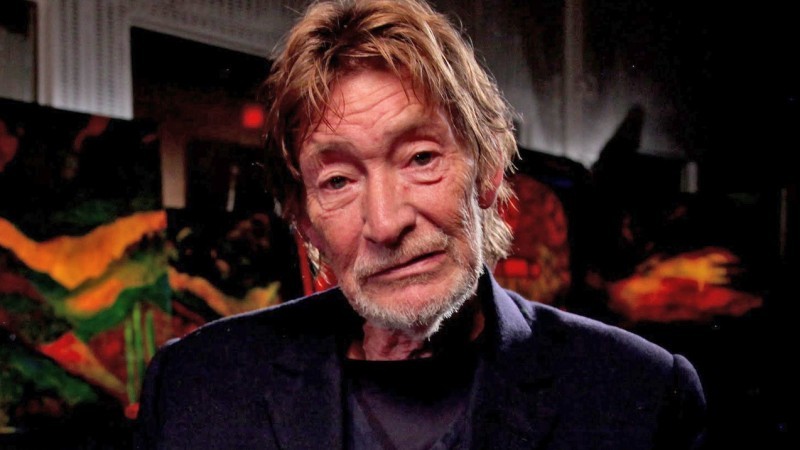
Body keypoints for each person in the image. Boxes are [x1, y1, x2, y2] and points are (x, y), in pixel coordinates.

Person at [134, 0, 706, 448]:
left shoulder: (639, 394)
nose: (386, 223)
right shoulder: (196, 386)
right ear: (304, 221)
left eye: (421, 158)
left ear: (489, 167)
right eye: (338, 181)